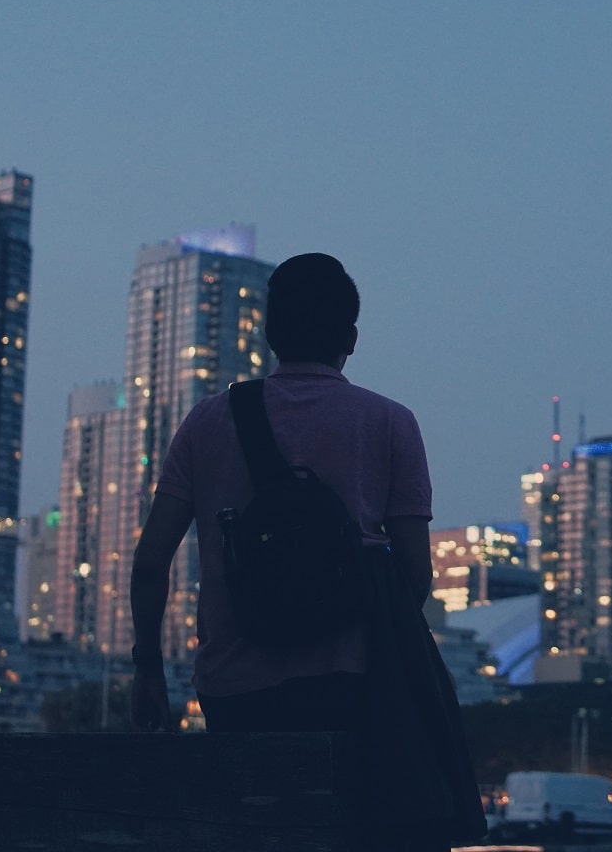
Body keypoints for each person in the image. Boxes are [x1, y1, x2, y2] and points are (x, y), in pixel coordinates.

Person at [128, 251, 434, 733]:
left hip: (233, 683)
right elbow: (416, 575)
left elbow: (149, 564)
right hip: (348, 682)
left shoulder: (207, 421)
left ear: (269, 335)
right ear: (351, 339)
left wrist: (147, 666)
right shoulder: (391, 422)